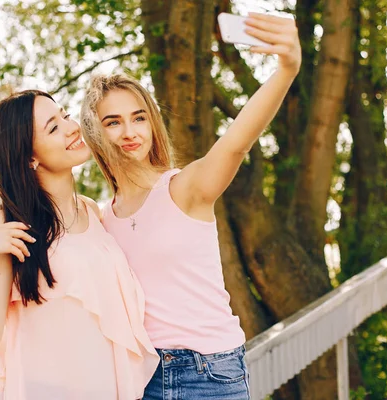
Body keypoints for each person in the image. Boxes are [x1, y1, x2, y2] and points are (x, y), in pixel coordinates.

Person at [80, 12, 301, 399]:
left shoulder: (184, 188)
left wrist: (287, 68)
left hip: (208, 373)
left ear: (152, 123)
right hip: (142, 377)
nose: (130, 132)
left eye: (139, 117)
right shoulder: (102, 219)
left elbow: (237, 142)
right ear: (95, 131)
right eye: (113, 122)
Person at [0, 90, 159, 400]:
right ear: (29, 157)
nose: (71, 127)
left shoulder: (92, 211)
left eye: (64, 115)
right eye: (53, 127)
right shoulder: (9, 224)